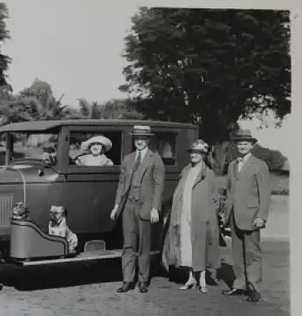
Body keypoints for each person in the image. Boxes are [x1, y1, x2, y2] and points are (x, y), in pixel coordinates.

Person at [110, 125, 165, 293]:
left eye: (143, 139)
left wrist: (155, 207)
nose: (139, 141)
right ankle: (127, 279)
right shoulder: (128, 159)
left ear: (148, 140)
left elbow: (159, 185)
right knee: (128, 245)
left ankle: (143, 280)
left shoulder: (155, 158)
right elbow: (121, 184)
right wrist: (117, 205)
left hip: (145, 206)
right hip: (128, 206)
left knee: (143, 245)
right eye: (137, 138)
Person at [162, 139, 220, 293]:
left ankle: (202, 278)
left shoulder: (208, 174)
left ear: (203, 155)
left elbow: (215, 197)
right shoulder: (186, 171)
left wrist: (210, 214)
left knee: (200, 246)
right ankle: (190, 277)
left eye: (198, 153)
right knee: (186, 245)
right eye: (193, 152)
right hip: (184, 213)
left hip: (201, 216)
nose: (194, 155)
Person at [221, 129, 271, 303]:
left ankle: (254, 287)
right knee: (236, 253)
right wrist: (225, 213)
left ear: (251, 145)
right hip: (234, 215)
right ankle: (239, 284)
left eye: (245, 143)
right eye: (239, 143)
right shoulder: (233, 165)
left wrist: (261, 216)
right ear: (235, 146)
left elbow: (265, 194)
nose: (242, 146)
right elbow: (229, 191)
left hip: (252, 216)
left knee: (252, 253)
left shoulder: (259, 165)